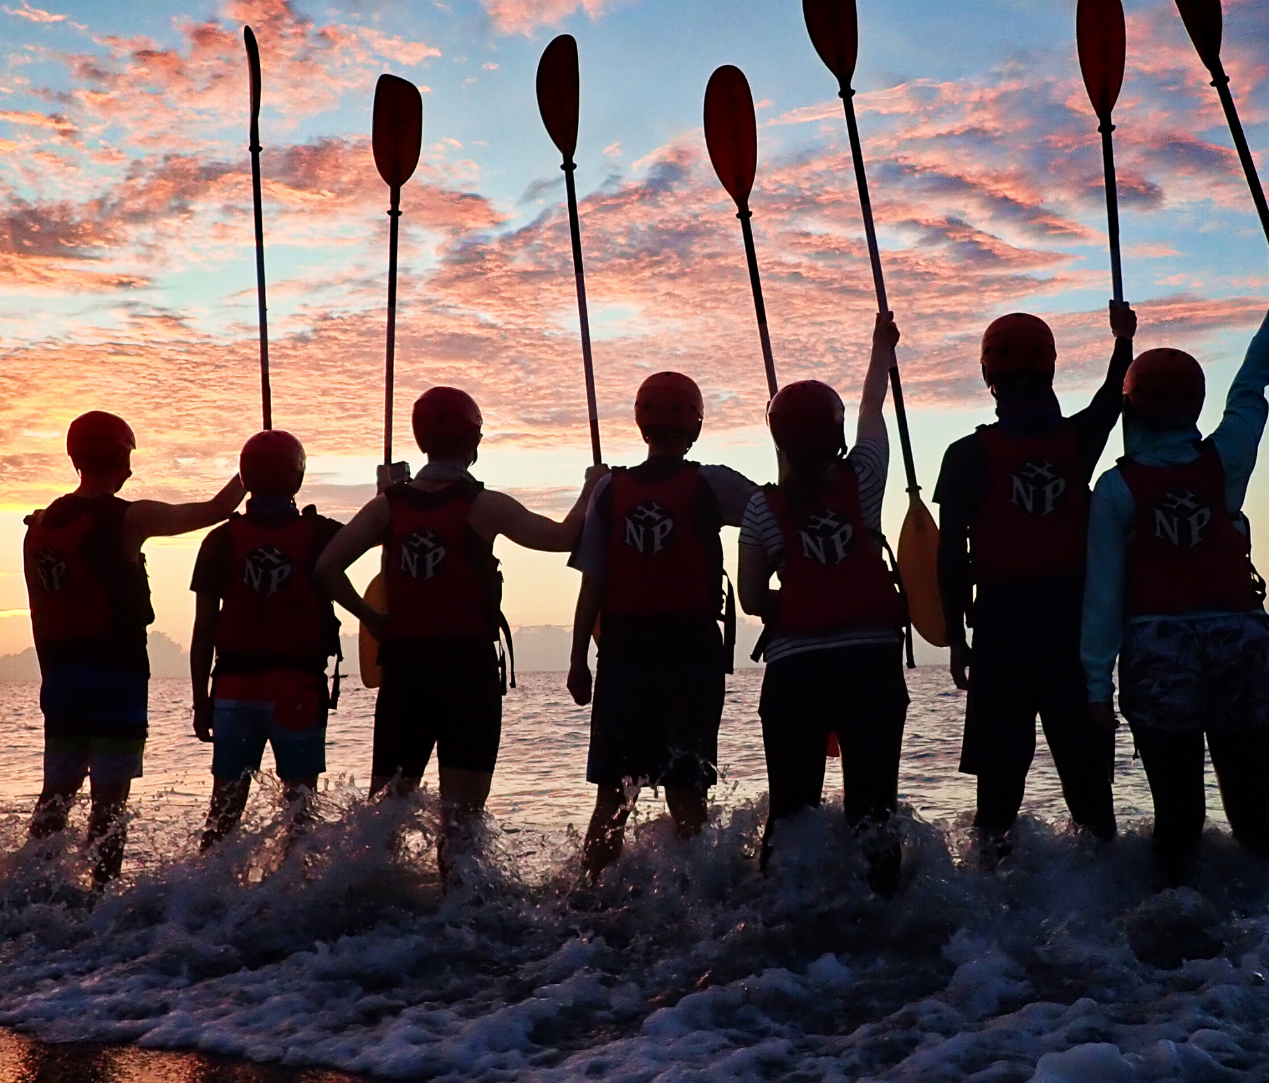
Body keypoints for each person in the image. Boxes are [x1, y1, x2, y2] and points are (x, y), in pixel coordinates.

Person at [316, 387, 606, 872]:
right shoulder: (485, 505)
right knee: (463, 820)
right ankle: (460, 914)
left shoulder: (387, 506)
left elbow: (326, 568)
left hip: (405, 671)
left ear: (420, 438)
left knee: (385, 814)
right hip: (466, 673)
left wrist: (372, 619)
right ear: (474, 440)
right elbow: (562, 537)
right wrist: (592, 488)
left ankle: (365, 909)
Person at [934, 303, 1135, 859]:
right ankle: (1107, 893)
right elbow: (1112, 400)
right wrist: (1123, 340)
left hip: (1002, 630)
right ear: (1050, 368)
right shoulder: (1077, 443)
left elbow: (950, 557)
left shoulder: (966, 454)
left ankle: (991, 898)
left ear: (988, 376)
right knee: (1089, 789)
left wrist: (956, 639)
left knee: (997, 792)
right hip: (1072, 629)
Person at [1082, 320, 1269, 886]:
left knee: (1178, 813)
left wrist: (1096, 686)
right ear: (1195, 403)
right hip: (1242, 642)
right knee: (1257, 809)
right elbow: (1249, 390)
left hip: (1159, 652)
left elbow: (1103, 596)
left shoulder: (1115, 490)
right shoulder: (1227, 461)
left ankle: (1175, 918)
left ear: (1130, 409)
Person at [23, 411, 244, 886]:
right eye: (129, 456)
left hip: (60, 679)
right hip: (116, 676)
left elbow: (38, 612)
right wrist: (257, 464)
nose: (131, 468)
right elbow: (213, 510)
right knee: (109, 801)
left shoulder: (38, 528)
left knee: (55, 795)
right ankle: (101, 898)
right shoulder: (129, 517)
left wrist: (54, 678)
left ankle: (27, 890)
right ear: (119, 455)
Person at [738, 313, 906, 894]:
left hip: (796, 670)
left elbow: (754, 597)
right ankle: (884, 908)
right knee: (874, 808)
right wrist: (880, 349)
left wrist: (798, 594)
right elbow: (870, 414)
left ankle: (780, 909)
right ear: (832, 434)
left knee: (790, 810)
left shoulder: (762, 509)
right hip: (872, 664)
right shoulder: (865, 478)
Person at [567, 372, 757, 880]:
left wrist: (576, 660)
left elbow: (593, 582)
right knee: (686, 788)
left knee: (614, 794)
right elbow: (772, 513)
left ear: (640, 424)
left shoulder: (609, 488)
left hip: (623, 653)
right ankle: (702, 899)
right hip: (690, 652)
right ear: (694, 426)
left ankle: (589, 894)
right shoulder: (712, 482)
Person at [189, 430, 343, 850]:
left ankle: (202, 897)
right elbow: (380, 533)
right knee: (300, 814)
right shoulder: (321, 535)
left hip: (234, 692)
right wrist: (389, 494)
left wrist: (201, 700)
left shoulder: (219, 540)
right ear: (297, 478)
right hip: (297, 690)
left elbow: (204, 630)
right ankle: (294, 899)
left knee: (224, 811)